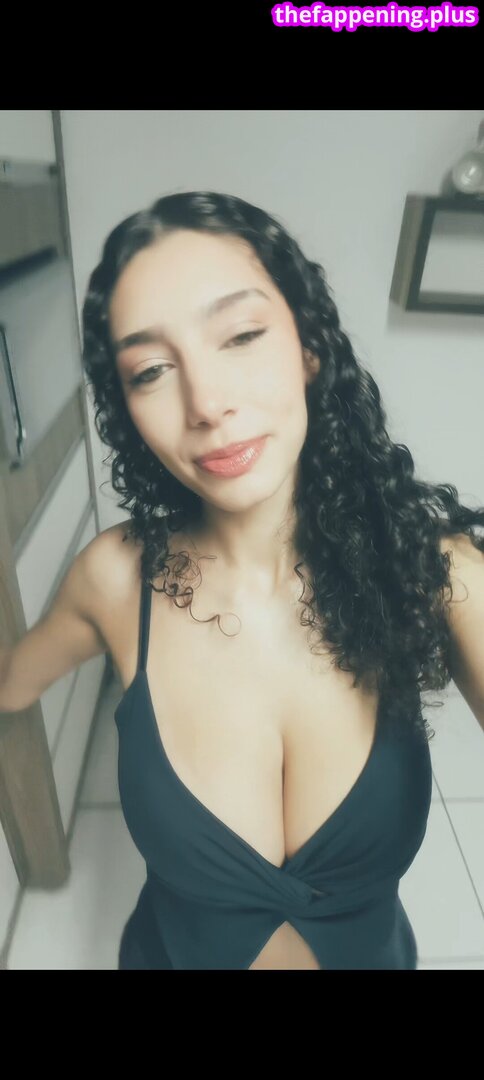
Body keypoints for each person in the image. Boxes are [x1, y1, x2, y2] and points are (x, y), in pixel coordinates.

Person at [2, 190, 484, 969]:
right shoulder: (115, 579)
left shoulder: (434, 568)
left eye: (242, 335)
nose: (207, 403)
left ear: (308, 346)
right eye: (151, 370)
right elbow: (12, 683)